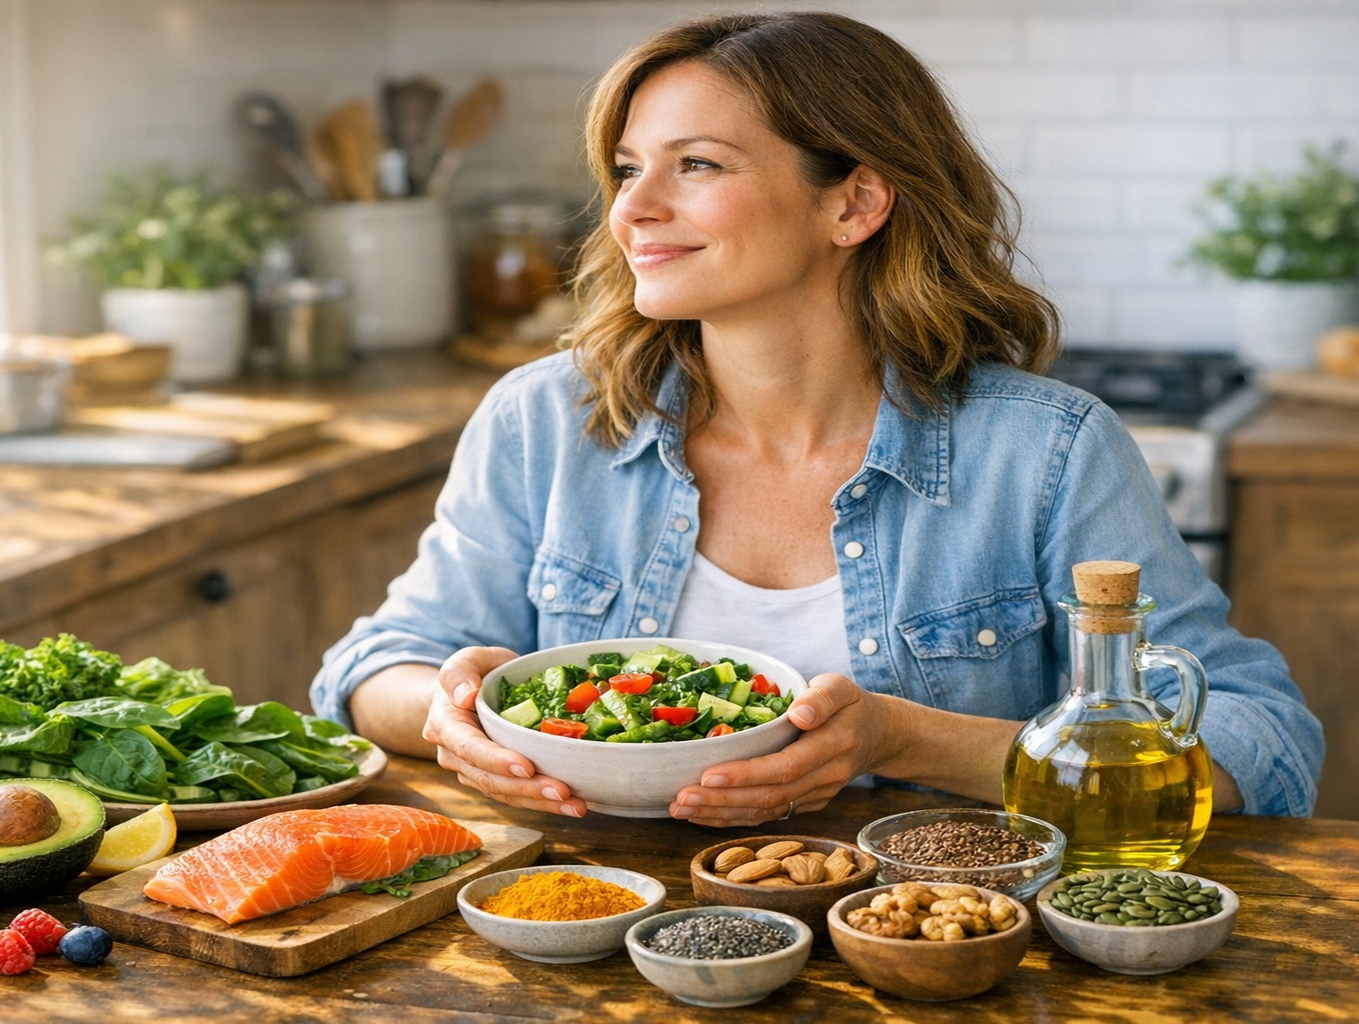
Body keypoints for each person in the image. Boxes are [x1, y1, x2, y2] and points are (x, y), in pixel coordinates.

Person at [310, 11, 1322, 822]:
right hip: (595, 932)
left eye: (696, 165)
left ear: (854, 204)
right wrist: (451, 712)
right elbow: (369, 670)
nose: (631, 209)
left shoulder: (1045, 451)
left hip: (933, 944)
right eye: (626, 168)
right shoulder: (545, 419)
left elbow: (1260, 743)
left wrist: (904, 739)